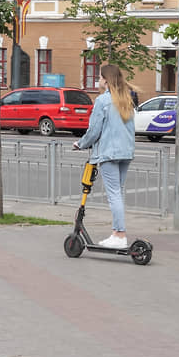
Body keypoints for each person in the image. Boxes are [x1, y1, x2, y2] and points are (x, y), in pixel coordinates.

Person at [73, 64, 136, 249]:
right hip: (126, 152)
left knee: (114, 195)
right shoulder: (127, 99)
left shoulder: (103, 101)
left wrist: (80, 144)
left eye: (100, 78)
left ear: (106, 81)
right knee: (118, 193)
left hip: (109, 152)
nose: (98, 81)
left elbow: (94, 130)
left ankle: (120, 235)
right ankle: (117, 233)